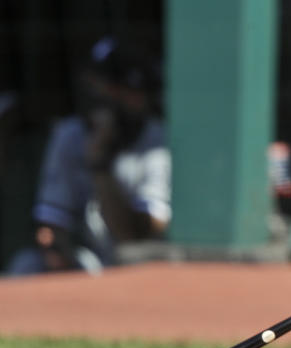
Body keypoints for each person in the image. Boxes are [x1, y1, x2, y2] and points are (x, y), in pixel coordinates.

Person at [6, 35, 170, 276]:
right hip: (85, 264)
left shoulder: (157, 141)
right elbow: (52, 223)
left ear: (136, 93)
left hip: (141, 271)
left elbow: (138, 237)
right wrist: (56, 248)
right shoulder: (70, 134)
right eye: (92, 86)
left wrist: (100, 165)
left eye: (111, 89)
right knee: (26, 265)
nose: (98, 98)